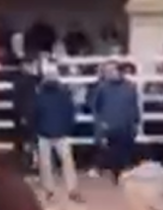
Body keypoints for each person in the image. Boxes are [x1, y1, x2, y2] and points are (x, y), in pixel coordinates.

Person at [32, 60, 82, 201]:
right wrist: (67, 128)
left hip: (44, 133)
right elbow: (70, 113)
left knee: (46, 164)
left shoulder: (39, 95)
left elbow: (35, 114)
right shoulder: (64, 94)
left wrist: (37, 130)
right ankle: (72, 190)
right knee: (67, 162)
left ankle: (49, 190)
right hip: (61, 133)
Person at [92, 60, 141, 184]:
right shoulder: (102, 88)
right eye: (106, 71)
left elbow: (134, 106)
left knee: (124, 151)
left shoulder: (130, 87)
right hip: (109, 125)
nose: (108, 73)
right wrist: (100, 124)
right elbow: (96, 107)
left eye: (111, 70)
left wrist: (135, 121)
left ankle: (121, 172)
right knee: (112, 152)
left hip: (126, 125)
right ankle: (115, 174)